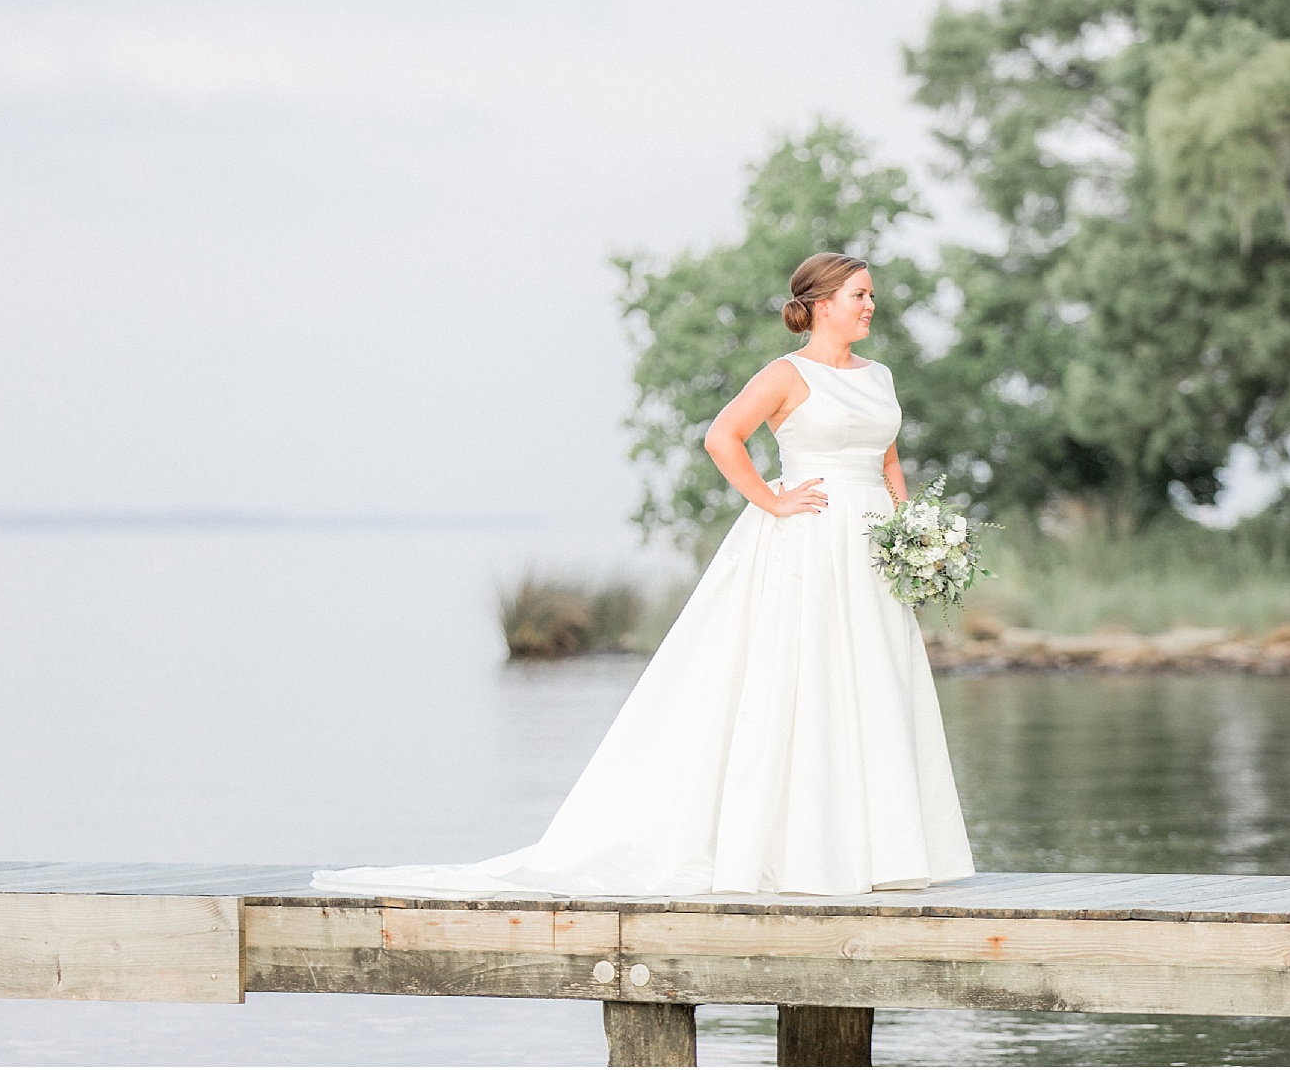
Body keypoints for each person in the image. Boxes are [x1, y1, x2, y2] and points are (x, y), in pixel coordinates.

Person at [312, 252, 975, 897]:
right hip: (808, 540)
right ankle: (799, 855)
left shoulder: (879, 376)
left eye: (869, 294)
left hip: (871, 550)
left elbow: (888, 463)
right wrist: (772, 499)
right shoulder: (786, 375)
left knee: (873, 679)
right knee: (802, 682)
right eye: (860, 294)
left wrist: (914, 530)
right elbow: (723, 437)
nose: (870, 304)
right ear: (823, 304)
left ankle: (876, 849)